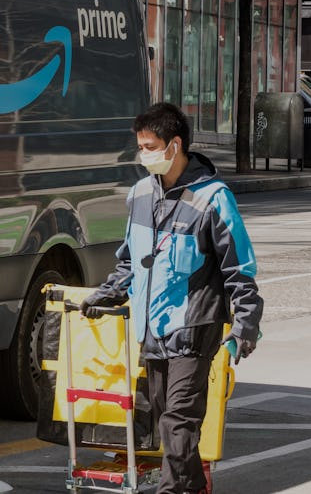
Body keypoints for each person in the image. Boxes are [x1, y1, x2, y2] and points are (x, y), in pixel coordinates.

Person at [80, 102, 263, 494]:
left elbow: (239, 268)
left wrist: (247, 323)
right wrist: (105, 295)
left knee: (179, 423)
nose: (143, 154)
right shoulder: (141, 195)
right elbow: (131, 261)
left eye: (150, 146)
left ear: (173, 146)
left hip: (194, 329)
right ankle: (195, 486)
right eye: (141, 146)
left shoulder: (213, 199)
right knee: (169, 425)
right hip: (153, 332)